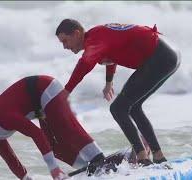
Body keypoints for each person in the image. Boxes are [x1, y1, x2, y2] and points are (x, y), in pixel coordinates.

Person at [55, 19, 181, 166]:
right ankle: (158, 156)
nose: (64, 47)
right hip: (168, 53)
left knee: (118, 109)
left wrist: (66, 91)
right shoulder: (97, 35)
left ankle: (142, 157)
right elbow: (112, 54)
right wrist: (109, 82)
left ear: (76, 34)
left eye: (65, 41)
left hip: (159, 56)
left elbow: (84, 64)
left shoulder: (94, 41)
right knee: (133, 107)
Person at [0, 75, 108, 180]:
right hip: (38, 108)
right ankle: (88, 169)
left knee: (64, 128)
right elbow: (11, 160)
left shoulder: (1, 117)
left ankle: (98, 158)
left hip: (44, 88)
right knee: (54, 149)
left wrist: (53, 169)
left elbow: (35, 133)